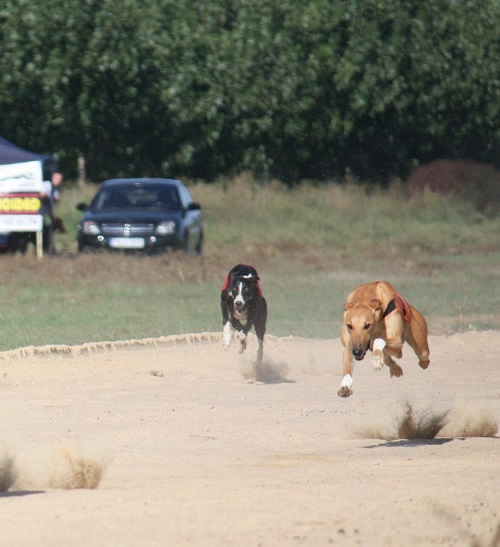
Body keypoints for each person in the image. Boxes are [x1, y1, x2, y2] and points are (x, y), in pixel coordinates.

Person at [39, 171, 64, 253]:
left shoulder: (55, 190)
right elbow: (42, 195)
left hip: (46, 215)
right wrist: (51, 199)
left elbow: (54, 204)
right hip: (39, 214)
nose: (59, 181)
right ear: (53, 178)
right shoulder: (46, 185)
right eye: (57, 178)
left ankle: (48, 249)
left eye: (60, 179)